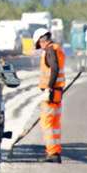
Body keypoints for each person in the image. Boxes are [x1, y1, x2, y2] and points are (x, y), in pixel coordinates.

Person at [33, 28, 65, 163]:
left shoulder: (50, 50)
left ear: (42, 40)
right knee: (55, 123)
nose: (40, 47)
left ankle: (52, 153)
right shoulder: (58, 49)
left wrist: (49, 88)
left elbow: (55, 68)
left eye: (39, 44)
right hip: (57, 93)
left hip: (51, 94)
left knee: (46, 123)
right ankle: (56, 151)